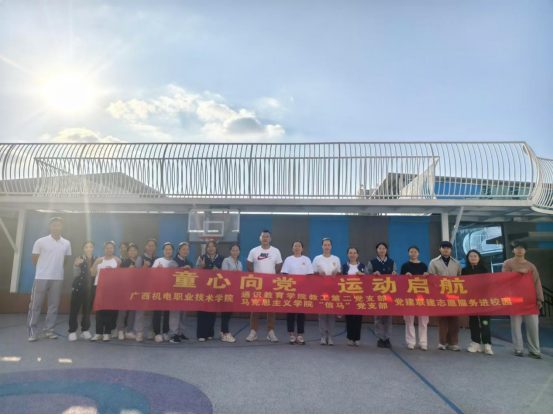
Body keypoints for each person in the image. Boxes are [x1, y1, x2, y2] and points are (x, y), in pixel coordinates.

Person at [28, 217, 72, 342]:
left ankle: (48, 331)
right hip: (41, 277)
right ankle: (32, 332)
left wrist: (56, 269)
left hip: (57, 278)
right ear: (50, 227)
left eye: (58, 225)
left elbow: (66, 260)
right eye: (54, 225)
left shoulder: (66, 243)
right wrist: (43, 269)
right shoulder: (41, 241)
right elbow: (34, 258)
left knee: (54, 305)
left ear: (62, 227)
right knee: (35, 305)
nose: (56, 227)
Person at [503, 240, 544, 359]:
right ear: (513, 250)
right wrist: (517, 272)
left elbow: (537, 282)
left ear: (525, 250)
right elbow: (504, 278)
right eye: (517, 248)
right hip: (514, 299)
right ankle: (518, 349)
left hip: (530, 300)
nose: (519, 250)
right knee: (515, 326)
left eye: (522, 248)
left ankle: (534, 350)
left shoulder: (531, 266)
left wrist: (539, 298)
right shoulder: (507, 263)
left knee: (533, 326)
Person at [246, 230, 283, 343]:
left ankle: (270, 332)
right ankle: (253, 332)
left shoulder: (276, 251)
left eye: (267, 236)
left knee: (270, 308)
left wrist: (271, 276)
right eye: (263, 236)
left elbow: (279, 265)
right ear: (260, 238)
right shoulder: (254, 251)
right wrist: (256, 276)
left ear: (270, 239)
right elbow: (248, 265)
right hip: (257, 285)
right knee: (255, 308)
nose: (265, 238)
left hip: (271, 284)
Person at [428, 241, 463, 352]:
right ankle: (442, 343)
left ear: (451, 250)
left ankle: (453, 343)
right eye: (443, 247)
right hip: (440, 294)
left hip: (454, 295)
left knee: (454, 320)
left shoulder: (457, 263)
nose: (446, 249)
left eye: (448, 247)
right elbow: (431, 279)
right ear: (440, 249)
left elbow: (461, 279)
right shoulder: (433, 262)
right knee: (442, 319)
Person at [282, 241, 314, 345]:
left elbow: (310, 275)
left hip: (302, 291)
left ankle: (300, 335)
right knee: (290, 313)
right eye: (295, 246)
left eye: (299, 246)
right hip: (290, 291)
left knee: (301, 314)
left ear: (302, 248)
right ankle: (291, 335)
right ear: (292, 248)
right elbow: (284, 274)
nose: (297, 248)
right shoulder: (288, 259)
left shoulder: (306, 260)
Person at [463, 250, 493, 356]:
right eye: (470, 256)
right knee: (473, 322)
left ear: (479, 258)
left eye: (475, 256)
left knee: (485, 323)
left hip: (484, 300)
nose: (473, 258)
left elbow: (490, 283)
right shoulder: (464, 270)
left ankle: (487, 344)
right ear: (468, 258)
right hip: (471, 300)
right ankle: (475, 343)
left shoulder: (485, 269)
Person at [368, 242, 397, 349]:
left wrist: (395, 274)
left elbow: (396, 276)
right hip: (377, 293)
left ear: (386, 250)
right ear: (377, 250)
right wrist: (373, 274)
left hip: (389, 293)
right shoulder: (372, 262)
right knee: (378, 317)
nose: (381, 250)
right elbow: (366, 277)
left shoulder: (391, 262)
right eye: (379, 248)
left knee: (388, 317)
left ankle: (387, 338)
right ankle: (380, 338)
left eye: (383, 248)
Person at [90, 241, 121, 342]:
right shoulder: (99, 260)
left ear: (114, 249)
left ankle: (107, 332)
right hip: (99, 286)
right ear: (104, 249)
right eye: (107, 248)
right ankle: (98, 333)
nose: (109, 250)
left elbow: (120, 275)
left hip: (111, 288)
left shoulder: (117, 260)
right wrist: (96, 264)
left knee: (109, 310)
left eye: (111, 248)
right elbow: (92, 274)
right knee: (99, 310)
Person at [400, 246, 430, 351]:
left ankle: (423, 342)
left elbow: (429, 282)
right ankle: (410, 342)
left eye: (415, 252)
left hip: (422, 296)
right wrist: (405, 276)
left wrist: (427, 275)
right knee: (409, 320)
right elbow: (400, 282)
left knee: (423, 320)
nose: (413, 253)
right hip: (409, 296)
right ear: (408, 253)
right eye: (411, 252)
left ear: (418, 253)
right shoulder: (405, 266)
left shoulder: (424, 265)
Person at [313, 238, 341, 346]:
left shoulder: (336, 259)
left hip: (333, 290)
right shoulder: (317, 258)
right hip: (321, 289)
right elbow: (312, 272)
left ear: (331, 246)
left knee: (331, 314)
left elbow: (340, 272)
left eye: (328, 245)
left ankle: (330, 336)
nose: (327, 247)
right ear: (322, 246)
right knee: (322, 314)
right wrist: (319, 273)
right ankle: (323, 336)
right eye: (325, 245)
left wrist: (336, 271)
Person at [68, 241, 97, 342]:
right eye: (86, 247)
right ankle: (72, 331)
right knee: (74, 310)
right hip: (78, 288)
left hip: (90, 289)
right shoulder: (79, 258)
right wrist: (77, 265)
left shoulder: (97, 259)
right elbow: (76, 274)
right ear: (83, 249)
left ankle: (85, 330)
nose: (89, 249)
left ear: (93, 248)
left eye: (91, 246)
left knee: (87, 311)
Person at [196, 240, 225, 342]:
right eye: (209, 246)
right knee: (202, 311)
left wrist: (219, 271)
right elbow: (195, 273)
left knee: (212, 312)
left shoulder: (222, 258)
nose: (211, 248)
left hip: (215, 289)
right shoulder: (201, 258)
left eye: (213, 246)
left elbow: (226, 274)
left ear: (216, 248)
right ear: (206, 248)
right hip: (203, 289)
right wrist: (201, 267)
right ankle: (201, 334)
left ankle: (210, 333)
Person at [152, 243, 178, 343]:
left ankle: (165, 332)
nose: (168, 251)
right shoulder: (158, 261)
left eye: (170, 249)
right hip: (158, 290)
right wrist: (158, 270)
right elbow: (151, 274)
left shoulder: (174, 262)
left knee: (167, 312)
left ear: (173, 251)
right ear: (163, 251)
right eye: (166, 249)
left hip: (169, 290)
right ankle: (157, 333)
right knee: (157, 312)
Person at [134, 239, 160, 342]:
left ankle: (150, 331)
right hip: (142, 288)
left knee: (151, 310)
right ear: (145, 246)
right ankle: (139, 332)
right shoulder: (140, 258)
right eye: (149, 245)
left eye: (153, 246)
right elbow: (136, 274)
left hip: (153, 287)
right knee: (140, 311)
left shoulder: (157, 258)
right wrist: (144, 267)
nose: (151, 248)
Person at [116, 243, 143, 341]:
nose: (133, 252)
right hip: (125, 290)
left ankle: (129, 330)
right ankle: (120, 330)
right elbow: (119, 277)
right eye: (131, 250)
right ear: (128, 252)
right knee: (122, 311)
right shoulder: (124, 263)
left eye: (134, 250)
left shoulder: (141, 262)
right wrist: (128, 270)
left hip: (136, 290)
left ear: (137, 251)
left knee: (132, 311)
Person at [169, 242, 193, 344]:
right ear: (179, 250)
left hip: (185, 292)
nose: (185, 251)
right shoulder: (173, 262)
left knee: (183, 313)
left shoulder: (190, 263)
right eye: (183, 249)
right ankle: (173, 334)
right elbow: (171, 275)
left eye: (187, 249)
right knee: (175, 313)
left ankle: (180, 333)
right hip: (175, 292)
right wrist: (182, 270)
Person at [342, 247, 367, 347]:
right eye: (350, 253)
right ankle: (349, 338)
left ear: (357, 255)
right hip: (348, 295)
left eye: (354, 253)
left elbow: (368, 279)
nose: (352, 255)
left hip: (359, 296)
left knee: (357, 318)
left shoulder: (362, 266)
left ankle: (357, 338)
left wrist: (362, 274)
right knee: (349, 317)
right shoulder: (344, 266)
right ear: (347, 254)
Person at [219, 243, 243, 343]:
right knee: (226, 311)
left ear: (239, 252)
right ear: (230, 251)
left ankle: (222, 331)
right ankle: (225, 333)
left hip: (235, 290)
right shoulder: (226, 260)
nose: (235, 252)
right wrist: (233, 272)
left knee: (230, 312)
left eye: (237, 250)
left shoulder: (240, 263)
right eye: (233, 250)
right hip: (227, 289)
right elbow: (224, 274)